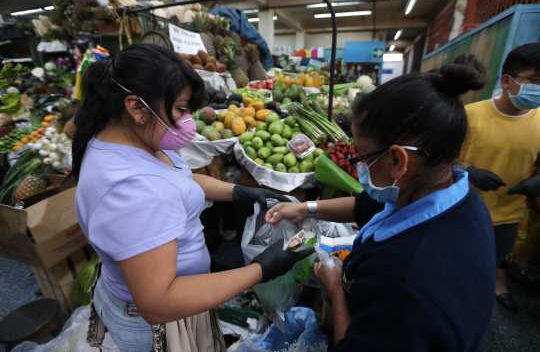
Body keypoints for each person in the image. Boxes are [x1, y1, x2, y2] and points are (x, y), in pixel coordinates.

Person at [72, 44, 312, 352]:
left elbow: (178, 178)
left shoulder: (133, 142)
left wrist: (238, 192)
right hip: (160, 325)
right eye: (181, 109)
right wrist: (261, 269)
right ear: (135, 107)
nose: (189, 120)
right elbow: (159, 302)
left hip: (166, 307)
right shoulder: (133, 190)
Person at [266, 58, 495, 351]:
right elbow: (366, 205)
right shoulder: (449, 195)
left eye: (361, 156)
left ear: (398, 160)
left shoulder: (406, 280)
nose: (358, 166)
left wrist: (335, 290)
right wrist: (305, 208)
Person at [459, 43, 540, 312]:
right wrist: (469, 171)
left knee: (495, 258)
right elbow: (441, 160)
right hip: (462, 209)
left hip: (509, 213)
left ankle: (494, 285)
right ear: (506, 81)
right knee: (458, 266)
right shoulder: (470, 116)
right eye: (537, 80)